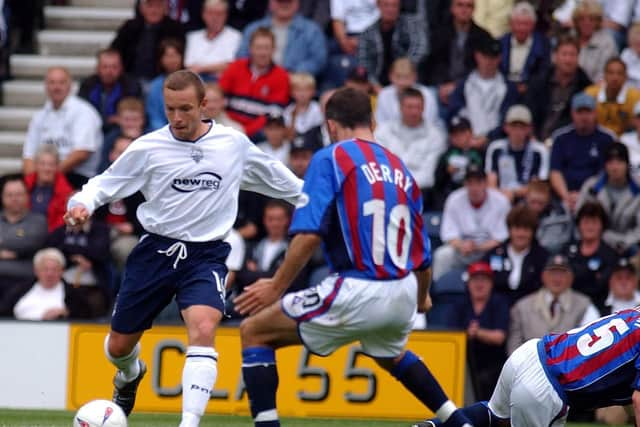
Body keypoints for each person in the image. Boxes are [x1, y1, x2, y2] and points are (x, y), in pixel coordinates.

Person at [63, 69, 303, 426]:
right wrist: (81, 204)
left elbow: (279, 179)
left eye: (186, 109)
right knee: (118, 347)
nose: (177, 118)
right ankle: (130, 375)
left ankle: (188, 423)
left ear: (204, 105)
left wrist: (319, 203)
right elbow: (105, 183)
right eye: (170, 109)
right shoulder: (148, 147)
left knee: (204, 328)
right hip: (155, 252)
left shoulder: (232, 144)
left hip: (207, 254)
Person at [233, 87, 474, 427]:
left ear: (331, 126)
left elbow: (308, 235)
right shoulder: (401, 168)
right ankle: (458, 421)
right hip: (403, 289)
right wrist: (422, 298)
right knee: (390, 354)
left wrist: (276, 286)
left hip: (360, 285)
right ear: (373, 121)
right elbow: (421, 254)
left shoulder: (331, 157)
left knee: (254, 331)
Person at [415, 306, 640, 427]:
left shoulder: (633, 313)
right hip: (547, 389)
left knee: (494, 416)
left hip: (530, 352)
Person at [22, 67, 103, 189]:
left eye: (61, 82)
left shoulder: (83, 111)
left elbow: (81, 153)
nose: (56, 87)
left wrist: (48, 175)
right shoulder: (39, 116)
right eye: (52, 82)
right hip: (45, 176)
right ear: (46, 86)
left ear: (70, 86)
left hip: (78, 177)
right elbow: (28, 156)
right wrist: (33, 180)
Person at [507, 254, 600, 355]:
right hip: (530, 367)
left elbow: (592, 345)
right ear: (543, 276)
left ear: (571, 277)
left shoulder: (585, 305)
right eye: (552, 273)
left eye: (562, 273)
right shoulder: (522, 307)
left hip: (570, 367)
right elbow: (513, 349)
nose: (557, 278)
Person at [433, 164, 510, 281]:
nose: (474, 187)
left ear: (485, 183)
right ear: (465, 184)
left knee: (501, 257)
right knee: (442, 255)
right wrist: (462, 245)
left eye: (478, 182)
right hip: (462, 250)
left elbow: (501, 238)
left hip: (488, 251)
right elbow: (449, 234)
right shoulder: (454, 199)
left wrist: (478, 247)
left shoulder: (501, 201)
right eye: (470, 182)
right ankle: (437, 294)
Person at [448, 261, 509, 401]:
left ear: (491, 283)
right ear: (468, 283)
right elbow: (451, 336)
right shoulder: (459, 304)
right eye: (475, 279)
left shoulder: (499, 303)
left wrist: (477, 332)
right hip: (464, 361)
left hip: (493, 362)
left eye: (484, 280)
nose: (479, 284)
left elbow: (499, 337)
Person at [374, 87, 447, 197]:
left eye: (418, 107)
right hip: (388, 192)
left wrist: (402, 187)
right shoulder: (383, 132)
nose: (414, 112)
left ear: (424, 108)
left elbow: (428, 176)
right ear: (400, 107)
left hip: (421, 193)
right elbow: (380, 167)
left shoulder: (435, 136)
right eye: (409, 107)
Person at [219, 27, 290, 139]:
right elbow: (220, 99)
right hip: (228, 126)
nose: (262, 53)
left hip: (258, 133)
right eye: (258, 48)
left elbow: (272, 114)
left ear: (273, 49)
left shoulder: (281, 76)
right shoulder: (235, 67)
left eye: (266, 48)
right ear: (250, 49)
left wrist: (244, 131)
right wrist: (233, 128)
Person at [549, 93, 615, 213]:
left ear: (595, 113)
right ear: (572, 113)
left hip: (596, 195)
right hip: (564, 197)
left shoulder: (607, 138)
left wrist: (584, 196)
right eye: (580, 112)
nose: (584, 117)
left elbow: (607, 172)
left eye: (588, 112)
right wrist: (566, 196)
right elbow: (555, 172)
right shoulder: (560, 138)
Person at [525, 34, 592, 142]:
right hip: (535, 139)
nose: (568, 60)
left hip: (568, 143)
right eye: (564, 54)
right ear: (555, 56)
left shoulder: (585, 86)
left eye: (572, 55)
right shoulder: (539, 81)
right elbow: (529, 111)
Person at [576, 142, 640, 254]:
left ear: (627, 164)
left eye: (619, 162)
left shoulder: (638, 189)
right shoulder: (591, 187)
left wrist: (622, 242)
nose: (615, 167)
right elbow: (579, 218)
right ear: (605, 165)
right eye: (610, 162)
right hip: (595, 242)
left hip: (628, 245)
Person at [236, 0, 327, 77]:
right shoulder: (253, 28)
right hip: (257, 80)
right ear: (271, 2)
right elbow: (242, 56)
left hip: (295, 86)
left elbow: (318, 60)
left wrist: (290, 74)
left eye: (288, 1)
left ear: (297, 3)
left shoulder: (312, 30)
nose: (284, 5)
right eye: (280, 1)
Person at [483, 204, 548, 305]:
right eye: (517, 228)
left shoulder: (542, 257)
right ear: (510, 230)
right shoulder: (495, 254)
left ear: (533, 232)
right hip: (497, 308)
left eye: (526, 229)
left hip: (530, 309)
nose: (521, 234)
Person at [357, 0, 428, 90]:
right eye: (386, 5)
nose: (390, 9)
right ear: (378, 5)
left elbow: (421, 48)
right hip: (378, 86)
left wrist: (402, 69)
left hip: (408, 82)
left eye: (394, 5)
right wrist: (375, 86)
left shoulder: (412, 25)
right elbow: (363, 63)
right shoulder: (367, 33)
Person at [4, 247, 93, 320]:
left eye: (54, 269)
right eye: (45, 269)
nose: (49, 274)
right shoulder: (19, 290)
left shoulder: (73, 294)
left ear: (62, 271)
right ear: (36, 271)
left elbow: (86, 315)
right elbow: (4, 312)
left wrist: (67, 312)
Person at [484, 104, 549, 203]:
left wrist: (513, 193)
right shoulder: (495, 148)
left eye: (522, 127)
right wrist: (503, 196)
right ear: (506, 127)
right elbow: (491, 183)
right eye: (514, 126)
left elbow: (538, 186)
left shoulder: (539, 150)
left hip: (529, 200)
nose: (517, 131)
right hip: (500, 197)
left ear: (529, 129)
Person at [110, 0, 185, 83]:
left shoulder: (175, 29)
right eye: (150, 6)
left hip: (164, 79)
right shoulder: (129, 26)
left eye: (158, 6)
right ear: (142, 8)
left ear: (165, 8)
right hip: (130, 78)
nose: (154, 10)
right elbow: (114, 51)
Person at [78, 48, 142, 131]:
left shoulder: (132, 86)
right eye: (105, 67)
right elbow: (82, 114)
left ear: (121, 68)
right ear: (97, 68)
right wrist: (107, 121)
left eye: (114, 67)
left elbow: (135, 115)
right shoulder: (87, 85)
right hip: (91, 129)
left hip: (120, 131)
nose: (109, 71)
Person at [184, 0, 242, 81]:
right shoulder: (193, 37)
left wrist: (201, 68)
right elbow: (189, 66)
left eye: (219, 13)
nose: (214, 17)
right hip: (196, 83)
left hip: (222, 84)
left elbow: (231, 66)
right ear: (203, 14)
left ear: (226, 15)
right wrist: (217, 68)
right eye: (210, 13)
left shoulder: (235, 36)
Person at [584, 57, 640, 137]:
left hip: (625, 143)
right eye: (611, 73)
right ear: (604, 75)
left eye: (619, 73)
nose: (615, 77)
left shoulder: (636, 97)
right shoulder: (590, 94)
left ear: (626, 77)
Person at [24, 144, 74, 232]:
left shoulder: (66, 192)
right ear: (36, 165)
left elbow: (64, 222)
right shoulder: (23, 186)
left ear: (57, 166)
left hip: (52, 237)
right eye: (42, 164)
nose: (47, 168)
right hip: (23, 233)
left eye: (51, 164)